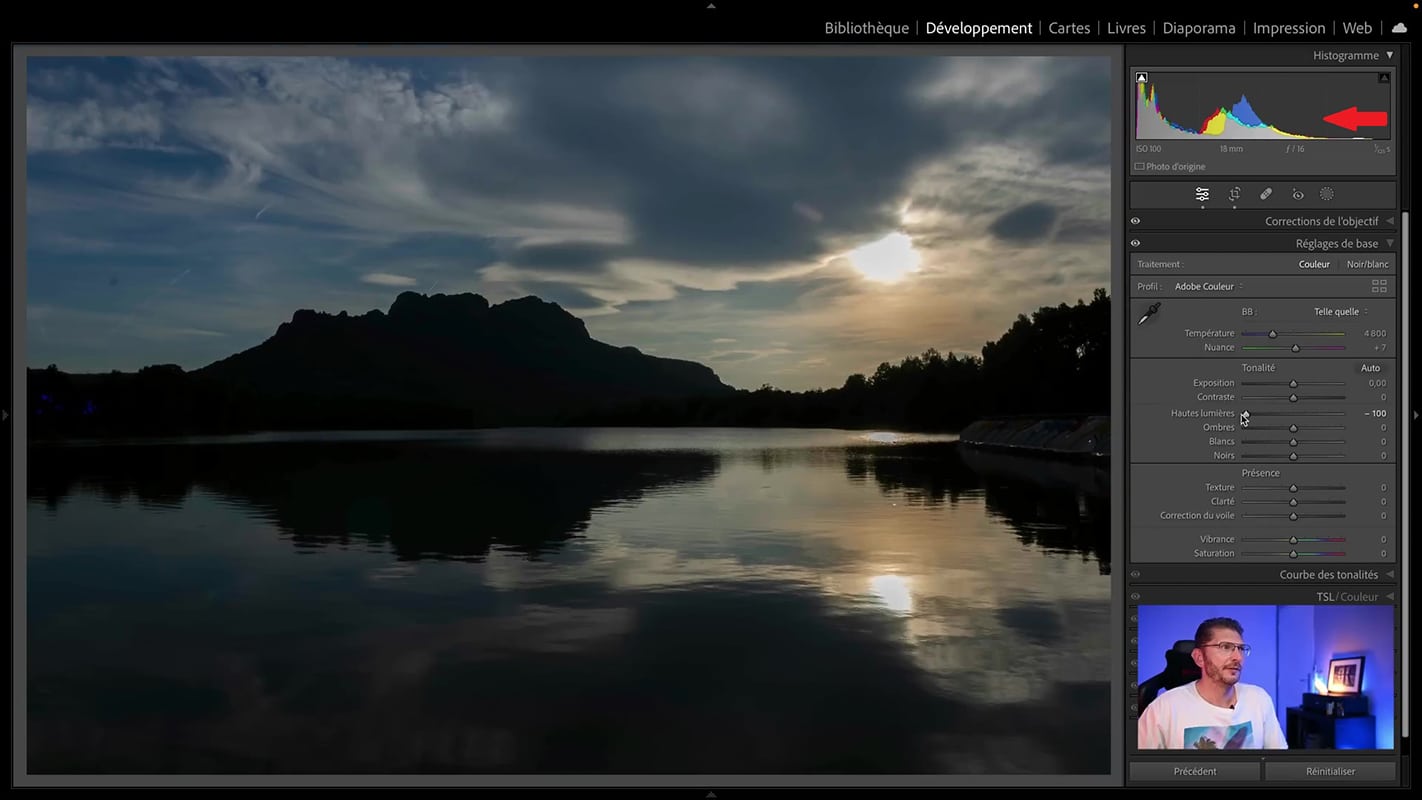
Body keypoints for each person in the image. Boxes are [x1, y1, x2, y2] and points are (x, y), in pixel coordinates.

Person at [1136, 617, 1288, 749]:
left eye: (1241, 648)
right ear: (1199, 658)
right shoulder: (1163, 709)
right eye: (1225, 647)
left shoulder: (1259, 699)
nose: (1238, 657)